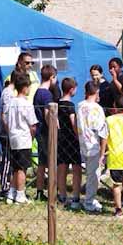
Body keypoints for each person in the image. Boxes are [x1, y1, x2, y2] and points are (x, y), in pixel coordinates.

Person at [3, 73, 38, 205]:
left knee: (15, 167)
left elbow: (5, 119)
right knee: (22, 168)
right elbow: (33, 124)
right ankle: (20, 194)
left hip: (13, 137)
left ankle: (11, 192)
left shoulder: (11, 102)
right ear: (24, 87)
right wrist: (32, 136)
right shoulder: (26, 104)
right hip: (23, 138)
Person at [76, 81, 108, 213]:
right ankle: (89, 201)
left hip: (82, 142)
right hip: (94, 145)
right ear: (96, 93)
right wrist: (102, 152)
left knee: (89, 173)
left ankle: (89, 198)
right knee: (94, 174)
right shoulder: (97, 109)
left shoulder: (79, 106)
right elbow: (103, 131)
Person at [33, 64, 58, 201]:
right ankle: (52, 191)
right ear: (52, 77)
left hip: (39, 130)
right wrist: (54, 129)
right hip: (45, 132)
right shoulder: (47, 94)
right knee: (51, 162)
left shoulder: (37, 92)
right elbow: (48, 114)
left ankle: (39, 190)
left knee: (42, 164)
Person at [57, 77, 81, 209]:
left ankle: (62, 195)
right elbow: (73, 122)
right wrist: (78, 136)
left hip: (61, 139)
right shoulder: (70, 106)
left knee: (62, 167)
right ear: (71, 89)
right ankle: (76, 196)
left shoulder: (57, 103)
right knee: (76, 168)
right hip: (72, 139)